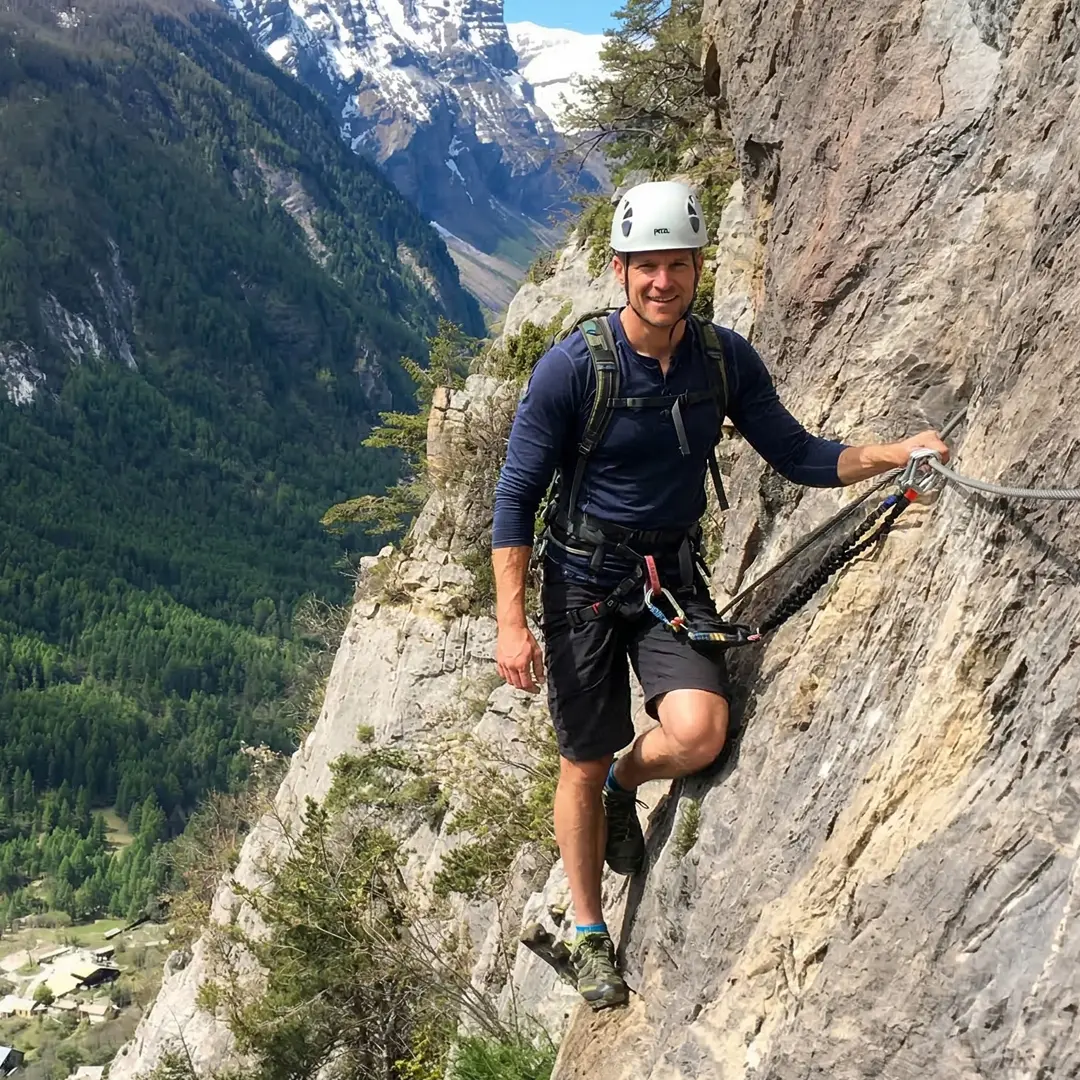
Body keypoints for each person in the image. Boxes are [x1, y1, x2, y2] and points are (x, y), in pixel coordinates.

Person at [490, 180, 949, 1010]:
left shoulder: (722, 359)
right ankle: (591, 931)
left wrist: (893, 455)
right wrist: (512, 621)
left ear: (699, 266)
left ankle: (628, 783)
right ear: (620, 269)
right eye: (646, 267)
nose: (662, 282)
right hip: (583, 583)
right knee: (580, 754)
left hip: (667, 577)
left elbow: (798, 453)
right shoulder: (573, 368)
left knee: (698, 734)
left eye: (677, 265)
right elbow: (515, 495)